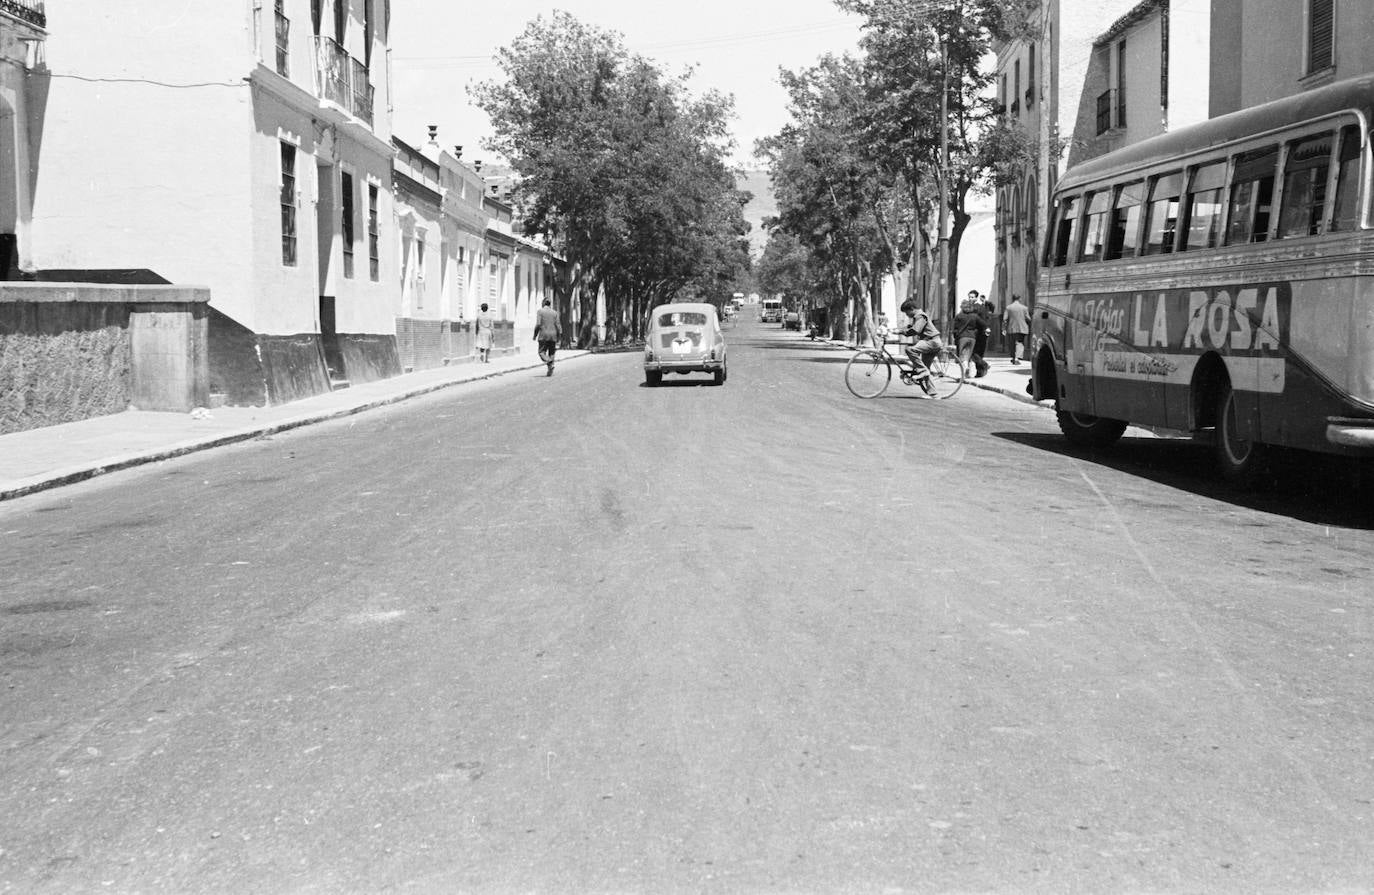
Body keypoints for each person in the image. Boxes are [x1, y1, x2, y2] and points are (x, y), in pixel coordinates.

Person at [896, 299, 942, 397]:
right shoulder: (917, 317)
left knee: (909, 349)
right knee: (925, 367)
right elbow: (911, 327)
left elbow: (916, 330)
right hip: (928, 342)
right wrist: (900, 329)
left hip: (932, 341)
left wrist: (901, 332)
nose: (907, 315)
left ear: (912, 309)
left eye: (906, 312)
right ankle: (933, 394)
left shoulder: (920, 316)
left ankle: (923, 371)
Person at [952, 298, 987, 378]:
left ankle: (966, 369)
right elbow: (983, 324)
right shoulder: (975, 316)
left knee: (962, 355)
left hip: (962, 337)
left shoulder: (959, 316)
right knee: (969, 355)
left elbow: (955, 328)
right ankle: (968, 374)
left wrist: (955, 337)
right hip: (972, 338)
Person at [533, 298, 562, 377]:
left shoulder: (540, 312)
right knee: (552, 352)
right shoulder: (555, 313)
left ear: (543, 303)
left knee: (541, 352)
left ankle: (549, 362)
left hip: (543, 335)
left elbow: (538, 324)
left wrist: (535, 335)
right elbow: (558, 325)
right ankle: (550, 368)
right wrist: (559, 335)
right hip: (553, 335)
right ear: (550, 304)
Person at [1003, 294, 1031, 364]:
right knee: (1019, 342)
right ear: (1020, 299)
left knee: (1012, 343)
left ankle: (1013, 357)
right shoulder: (1024, 308)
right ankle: (1017, 358)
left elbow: (1004, 319)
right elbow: (1028, 318)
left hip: (1012, 328)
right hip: (1022, 328)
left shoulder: (1008, 307)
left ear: (1012, 299)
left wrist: (1003, 329)